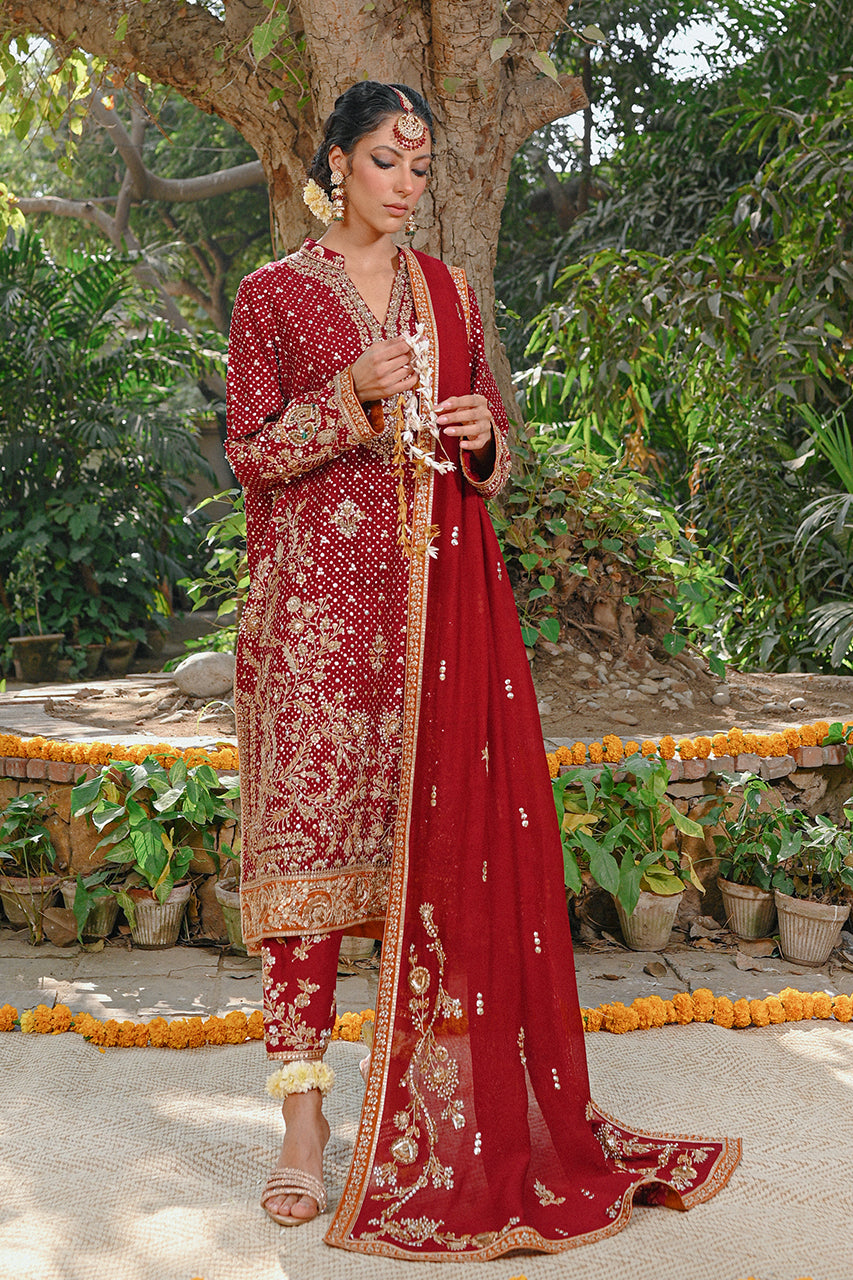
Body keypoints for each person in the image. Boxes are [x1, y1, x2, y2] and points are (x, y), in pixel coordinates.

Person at [226, 81, 740, 1261]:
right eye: (386, 160)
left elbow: (494, 445)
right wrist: (348, 398)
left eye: (420, 166)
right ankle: (302, 1125)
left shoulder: (450, 292)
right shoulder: (273, 295)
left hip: (432, 629)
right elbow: (248, 452)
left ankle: (441, 1111)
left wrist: (482, 440)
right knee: (306, 874)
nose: (406, 184)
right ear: (336, 164)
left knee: (440, 863)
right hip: (314, 626)